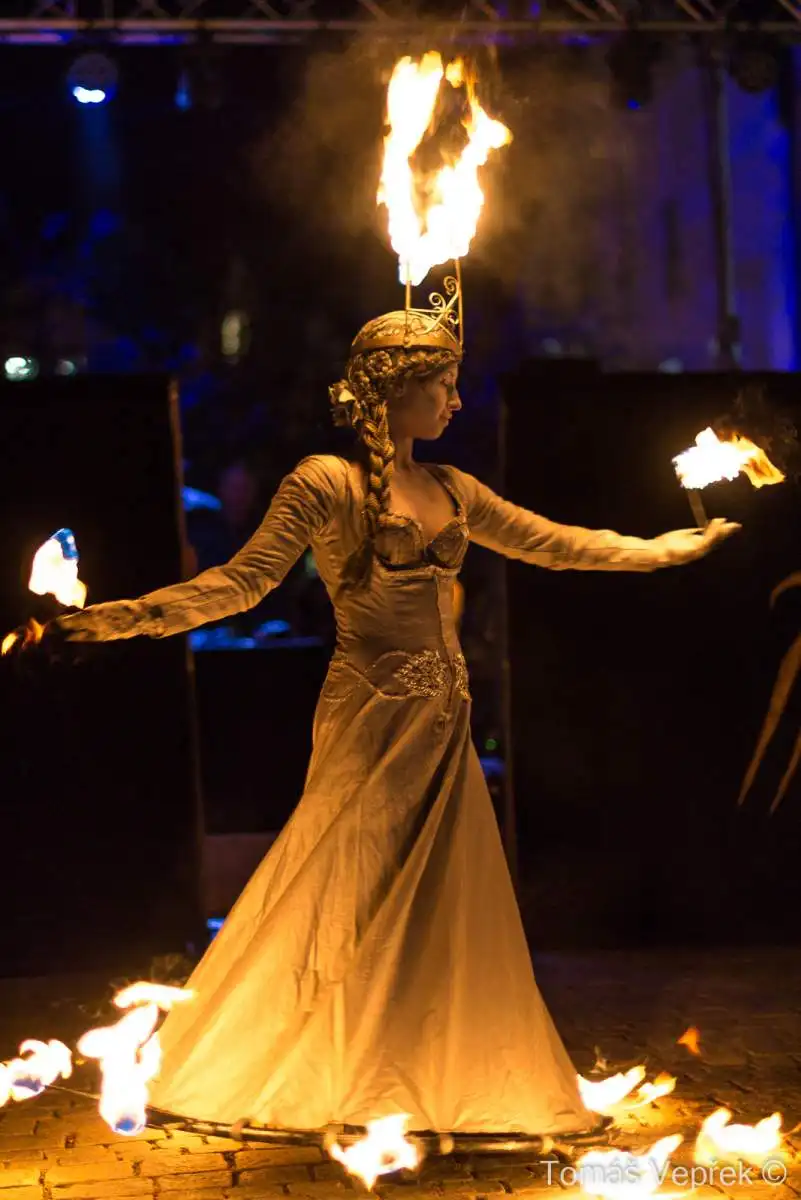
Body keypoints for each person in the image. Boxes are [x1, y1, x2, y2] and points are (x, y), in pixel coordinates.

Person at [7, 308, 738, 1137]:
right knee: (352, 885)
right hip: (369, 712)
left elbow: (556, 542)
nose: (454, 401)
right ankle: (329, 1060)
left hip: (442, 716)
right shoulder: (325, 482)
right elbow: (239, 584)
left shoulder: (453, 489)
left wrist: (663, 549)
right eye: (441, 385)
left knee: (435, 899)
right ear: (391, 390)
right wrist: (114, 619)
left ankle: (419, 1063)